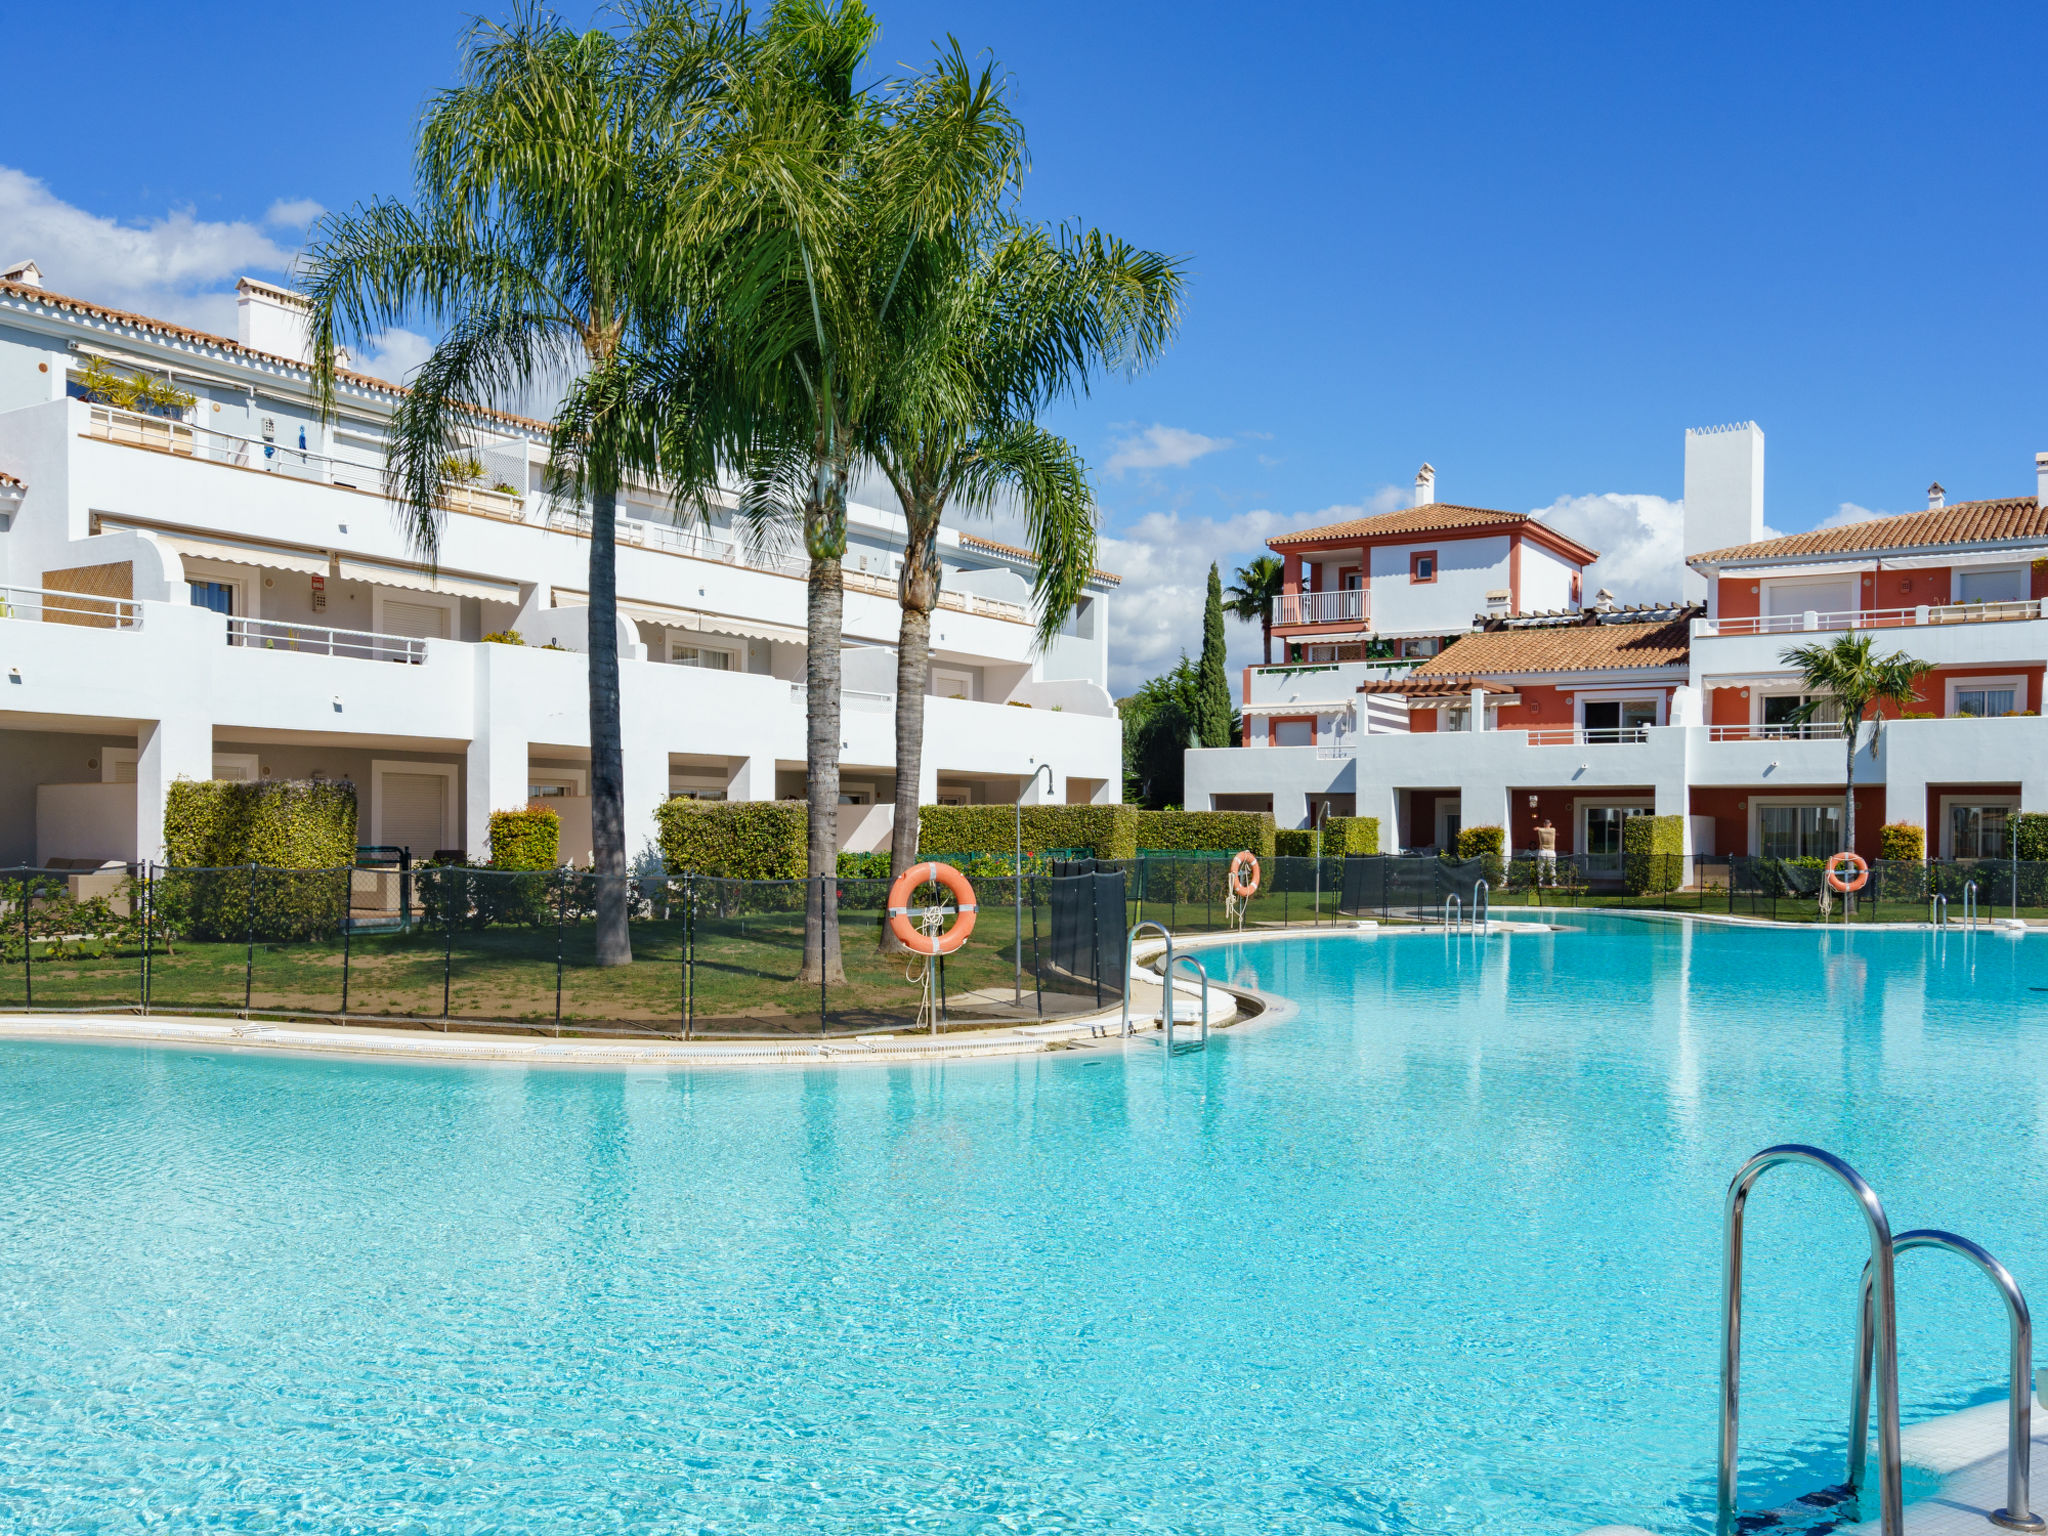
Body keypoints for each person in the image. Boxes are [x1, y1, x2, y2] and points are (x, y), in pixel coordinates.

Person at [1536, 819, 1557, 886]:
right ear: (1550, 824)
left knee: (1540, 867)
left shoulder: (1540, 830)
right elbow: (1546, 829)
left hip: (1543, 851)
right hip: (1551, 851)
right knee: (1552, 867)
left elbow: (1539, 829)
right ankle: (1553, 883)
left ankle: (1539, 882)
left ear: (1544, 824)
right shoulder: (1553, 830)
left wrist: (1538, 828)